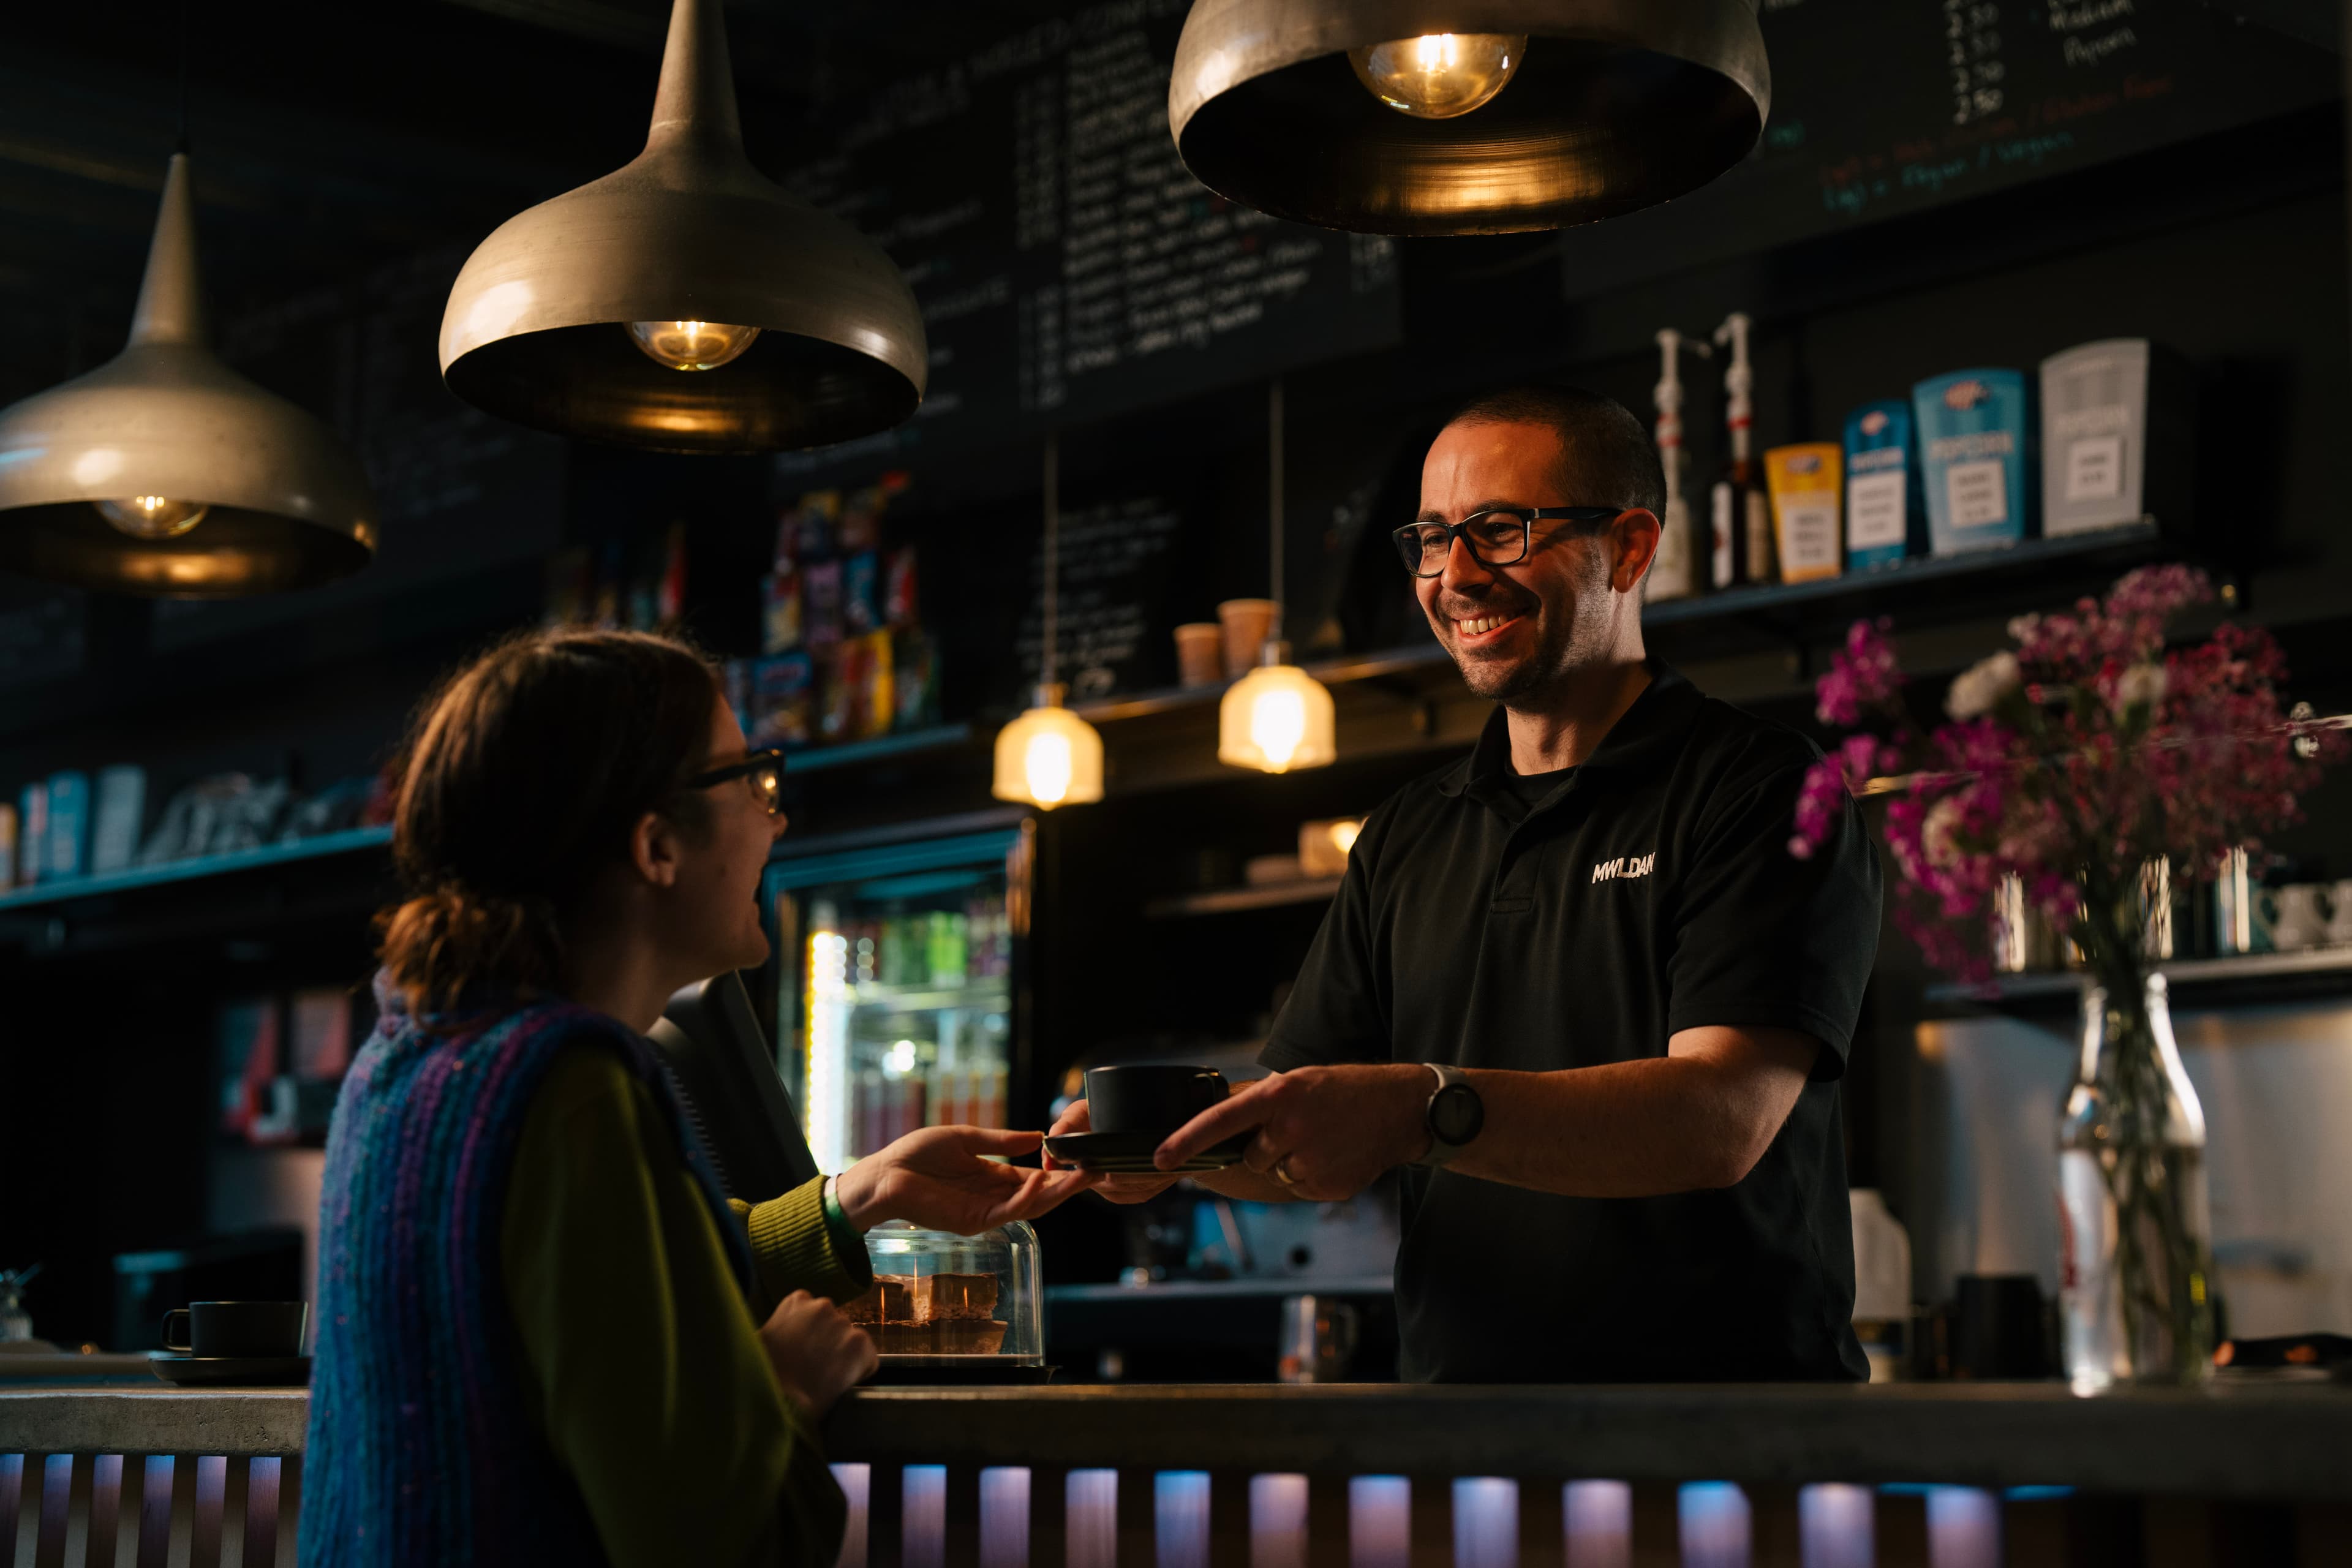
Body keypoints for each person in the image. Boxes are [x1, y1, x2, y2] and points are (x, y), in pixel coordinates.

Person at [1054, 386, 1883, 1383]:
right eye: (1433, 538)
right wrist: (1163, 1148)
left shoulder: (1763, 790)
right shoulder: (1409, 833)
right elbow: (1297, 1128)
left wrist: (1420, 1109)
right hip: (1462, 1443)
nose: (1456, 575)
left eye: (1499, 531)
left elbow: (1721, 1119)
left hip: (1723, 1443)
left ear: (1627, 547)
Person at [300, 629, 1096, 1568]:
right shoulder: (569, 1086)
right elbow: (724, 1547)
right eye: (752, 782)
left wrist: (858, 1198)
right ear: (656, 845)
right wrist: (789, 1391)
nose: (778, 821)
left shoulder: (407, 1061)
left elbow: (610, 1280)